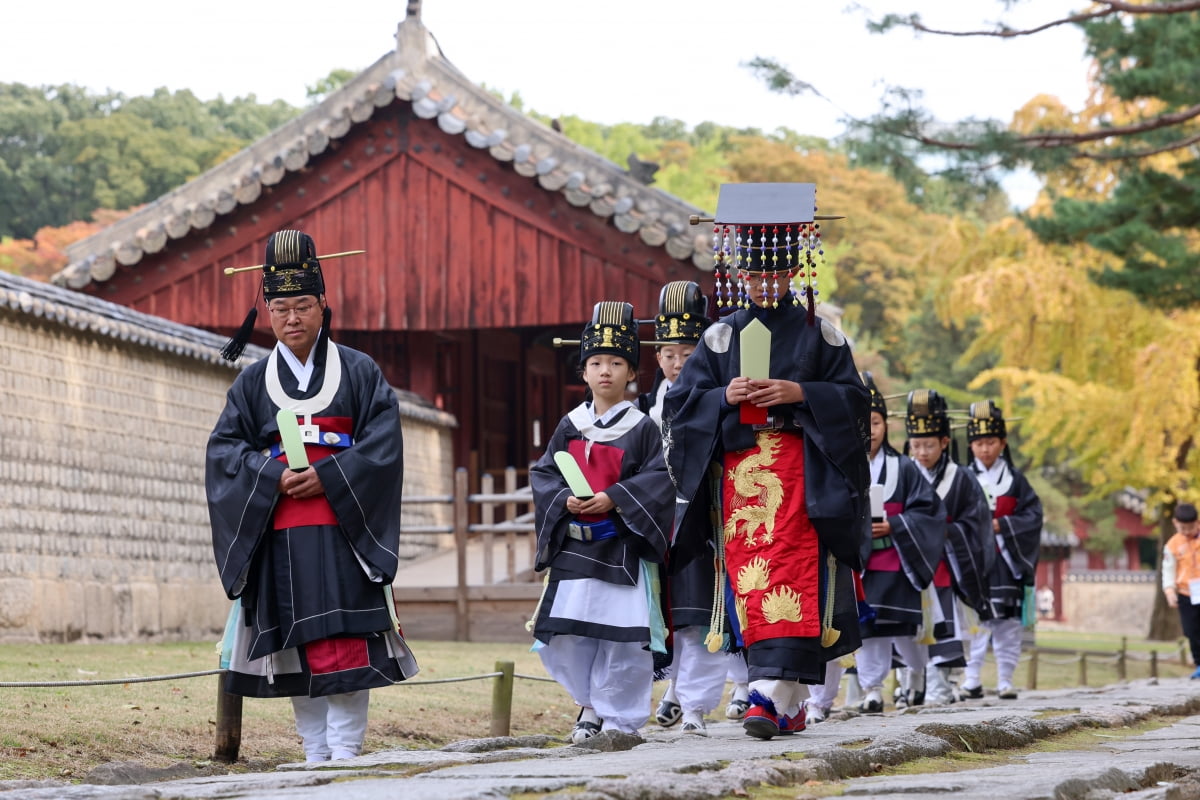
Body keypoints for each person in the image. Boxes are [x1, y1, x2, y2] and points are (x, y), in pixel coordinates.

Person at [663, 182, 870, 740]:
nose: (765, 284)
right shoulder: (718, 336)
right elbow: (682, 408)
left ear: (794, 273)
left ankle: (765, 698)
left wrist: (800, 394)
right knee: (754, 575)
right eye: (755, 276)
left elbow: (854, 401)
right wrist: (724, 398)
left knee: (795, 575)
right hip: (742, 475)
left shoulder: (821, 334)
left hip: (803, 472)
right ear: (739, 276)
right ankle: (786, 701)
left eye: (776, 275)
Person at [206, 229, 417, 763]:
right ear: (267, 312)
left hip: (344, 530)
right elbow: (225, 451)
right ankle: (314, 752)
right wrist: (269, 474)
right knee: (297, 646)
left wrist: (330, 475)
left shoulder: (361, 371)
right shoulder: (252, 384)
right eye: (281, 307)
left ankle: (345, 749)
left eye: (303, 305)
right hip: (282, 532)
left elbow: (382, 443)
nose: (292, 317)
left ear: (324, 304)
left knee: (343, 640)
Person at [529, 301, 674, 743]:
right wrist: (565, 500)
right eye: (596, 362)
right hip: (576, 547)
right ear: (584, 371)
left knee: (622, 639)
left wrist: (614, 497)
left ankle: (620, 718)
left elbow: (658, 479)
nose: (605, 371)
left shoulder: (643, 427)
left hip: (622, 546)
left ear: (632, 372)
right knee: (568, 634)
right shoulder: (570, 425)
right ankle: (589, 705)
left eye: (616, 362)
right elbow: (545, 473)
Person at [810, 375, 944, 716]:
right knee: (863, 627)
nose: (868, 430)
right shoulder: (835, 462)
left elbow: (928, 510)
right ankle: (867, 689)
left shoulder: (905, 468)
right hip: (852, 560)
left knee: (889, 627)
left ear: (886, 424)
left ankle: (903, 678)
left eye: (875, 422)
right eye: (861, 422)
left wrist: (896, 524)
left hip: (892, 559)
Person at [640, 281, 738, 736]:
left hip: (704, 517)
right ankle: (674, 690)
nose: (677, 363)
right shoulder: (642, 410)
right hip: (658, 521)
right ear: (656, 356)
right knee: (667, 614)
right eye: (668, 353)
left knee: (704, 613)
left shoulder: (719, 399)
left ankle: (697, 704)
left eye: (687, 352)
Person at [901, 389, 994, 706]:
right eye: (916, 445)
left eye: (930, 444)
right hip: (910, 562)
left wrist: (943, 531)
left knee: (944, 625)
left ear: (944, 442)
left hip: (946, 564)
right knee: (907, 628)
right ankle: (909, 687)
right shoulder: (903, 471)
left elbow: (975, 522)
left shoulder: (962, 477)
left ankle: (940, 686)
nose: (923, 452)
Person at [960, 400, 1043, 701]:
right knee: (976, 622)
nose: (985, 449)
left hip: (1006, 562)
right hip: (974, 561)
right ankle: (971, 678)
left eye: (991, 442)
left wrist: (1003, 526)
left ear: (1002, 443)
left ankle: (1006, 679)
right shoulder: (963, 478)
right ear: (971, 445)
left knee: (1007, 623)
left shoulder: (1016, 480)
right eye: (979, 443)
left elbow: (1033, 515)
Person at [1161, 502, 1200, 679]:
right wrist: (1169, 591)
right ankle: (1199, 663)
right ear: (1175, 523)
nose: (1186, 531)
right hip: (1186, 593)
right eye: (1182, 527)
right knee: (1191, 630)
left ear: (1197, 522)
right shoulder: (1172, 545)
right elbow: (1168, 569)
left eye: (1190, 527)